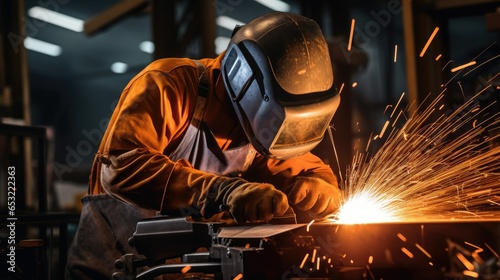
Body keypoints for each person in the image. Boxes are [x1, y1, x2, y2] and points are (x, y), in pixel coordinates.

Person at [66, 11, 342, 280]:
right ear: (245, 81)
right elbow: (122, 168)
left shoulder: (261, 127)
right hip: (114, 265)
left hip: (190, 270)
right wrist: (220, 191)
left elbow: (306, 169)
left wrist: (320, 186)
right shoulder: (168, 84)